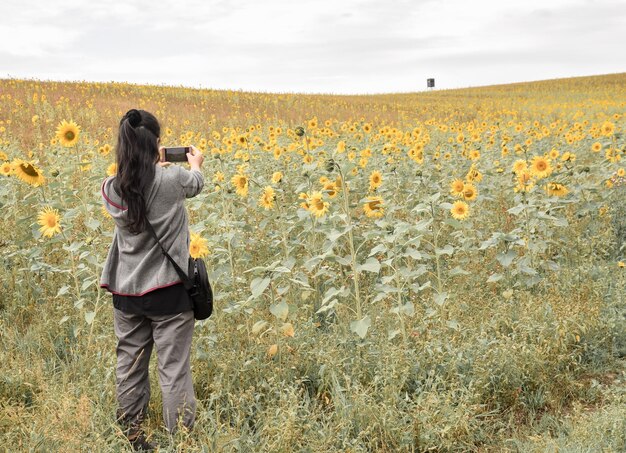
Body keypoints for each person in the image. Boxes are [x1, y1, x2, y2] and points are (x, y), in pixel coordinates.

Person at [99, 109, 205, 451]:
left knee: (129, 365)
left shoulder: (111, 189)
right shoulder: (172, 179)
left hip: (126, 293)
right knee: (173, 370)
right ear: (156, 144)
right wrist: (196, 163)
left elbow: (133, 184)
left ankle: (131, 434)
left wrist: (145, 160)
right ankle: (182, 440)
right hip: (169, 293)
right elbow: (197, 183)